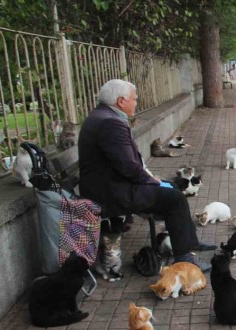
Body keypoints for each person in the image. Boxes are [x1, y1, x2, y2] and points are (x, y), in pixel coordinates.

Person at [78, 80, 215, 271]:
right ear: (121, 101)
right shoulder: (110, 123)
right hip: (112, 192)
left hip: (110, 185)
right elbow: (127, 166)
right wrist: (150, 180)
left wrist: (151, 179)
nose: (136, 103)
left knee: (173, 188)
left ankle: (189, 243)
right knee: (175, 199)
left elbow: (125, 163)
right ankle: (184, 260)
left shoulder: (102, 116)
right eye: (134, 99)